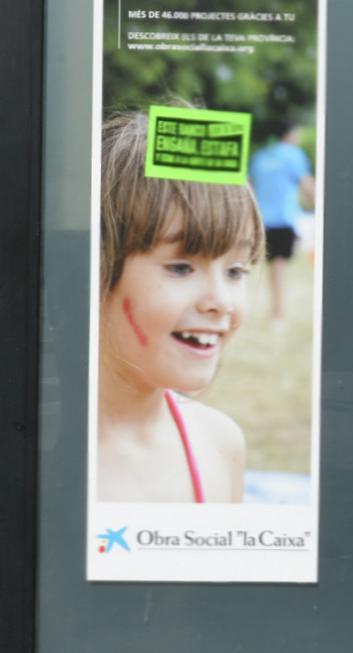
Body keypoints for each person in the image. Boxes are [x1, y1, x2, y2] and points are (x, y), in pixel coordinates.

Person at [97, 111, 264, 503]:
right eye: (181, 267)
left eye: (236, 270)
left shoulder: (220, 446)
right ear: (98, 266)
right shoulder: (40, 459)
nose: (220, 301)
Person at [248, 122, 315, 327]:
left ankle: (274, 313)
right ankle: (277, 316)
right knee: (278, 267)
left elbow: (249, 187)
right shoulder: (293, 155)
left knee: (264, 268)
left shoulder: (260, 156)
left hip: (261, 220)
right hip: (283, 220)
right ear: (290, 133)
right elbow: (307, 185)